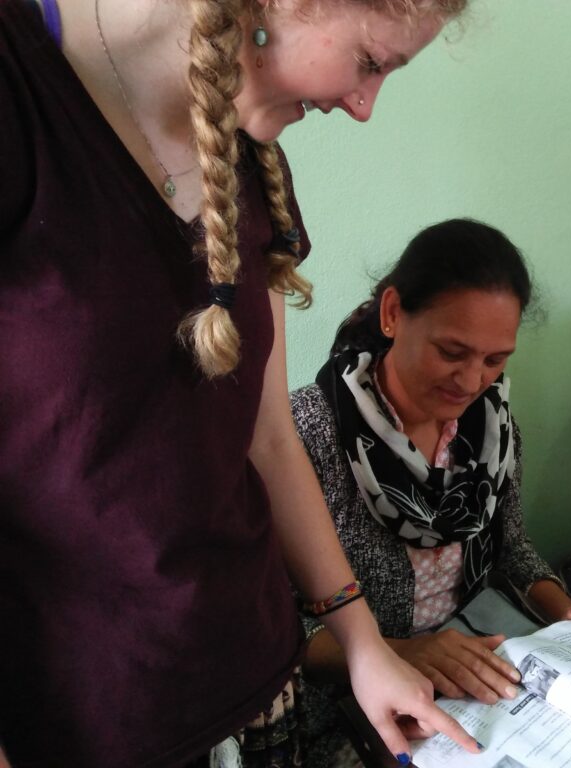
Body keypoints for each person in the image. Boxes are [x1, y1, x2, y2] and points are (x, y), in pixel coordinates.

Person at [0, 0, 481, 765]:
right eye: (370, 63)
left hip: (253, 685)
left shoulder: (252, 154)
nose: (363, 107)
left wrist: (363, 644)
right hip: (80, 719)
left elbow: (266, 437)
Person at [290, 218, 571, 767]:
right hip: (348, 697)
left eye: (496, 359)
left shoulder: (491, 430)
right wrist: (403, 652)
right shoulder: (307, 432)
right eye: (452, 351)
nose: (472, 380)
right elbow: (283, 629)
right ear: (391, 315)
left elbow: (513, 548)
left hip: (476, 662)